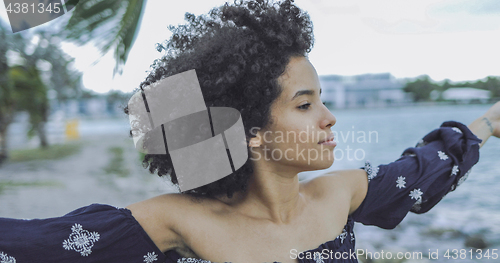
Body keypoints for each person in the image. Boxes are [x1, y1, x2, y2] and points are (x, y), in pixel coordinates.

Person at [1, 0, 499, 262]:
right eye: (306, 104)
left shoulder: (339, 194)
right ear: (252, 133)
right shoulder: (177, 222)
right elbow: (39, 244)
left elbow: (428, 167)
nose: (330, 118)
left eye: (322, 100)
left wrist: (489, 122)